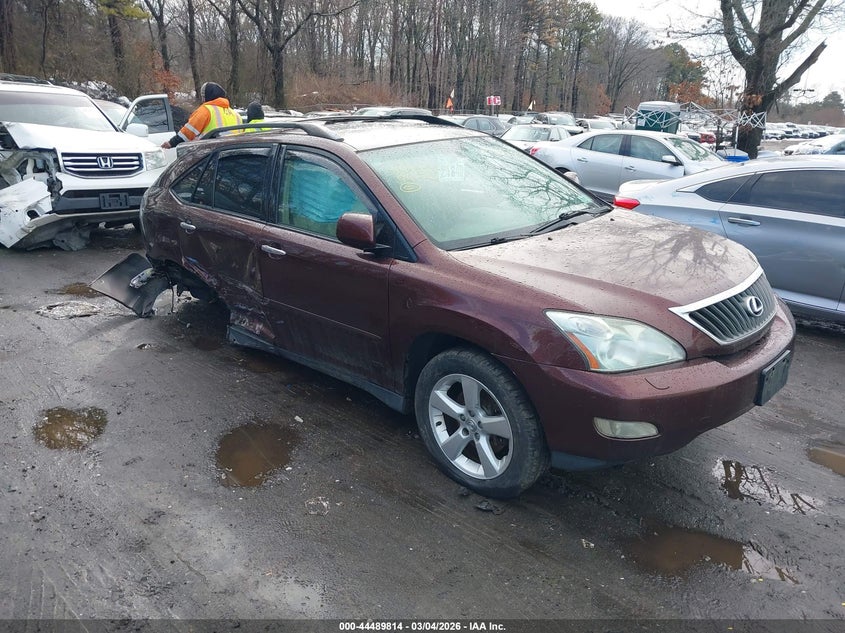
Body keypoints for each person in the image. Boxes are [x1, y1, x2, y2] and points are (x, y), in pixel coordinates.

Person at [161, 82, 242, 148]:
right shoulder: (236, 115)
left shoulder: (206, 111)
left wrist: (171, 143)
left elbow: (188, 132)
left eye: (203, 96)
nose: (203, 99)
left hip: (211, 155)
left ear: (208, 96)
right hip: (233, 157)